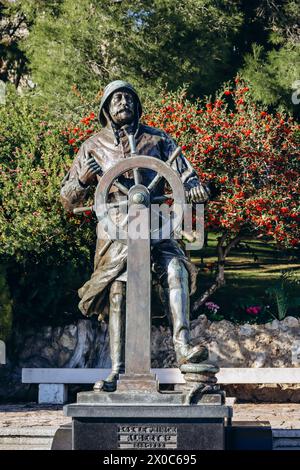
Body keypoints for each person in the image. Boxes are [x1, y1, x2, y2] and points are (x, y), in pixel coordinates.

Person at [61, 80, 210, 392]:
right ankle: (117, 370)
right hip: (115, 229)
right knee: (119, 290)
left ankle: (183, 347)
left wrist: (194, 185)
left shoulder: (158, 139)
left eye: (128, 96)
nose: (123, 101)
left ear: (137, 104)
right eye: (115, 97)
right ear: (105, 107)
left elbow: (186, 174)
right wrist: (84, 181)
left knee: (175, 269)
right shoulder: (92, 146)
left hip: (156, 224)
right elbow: (67, 198)